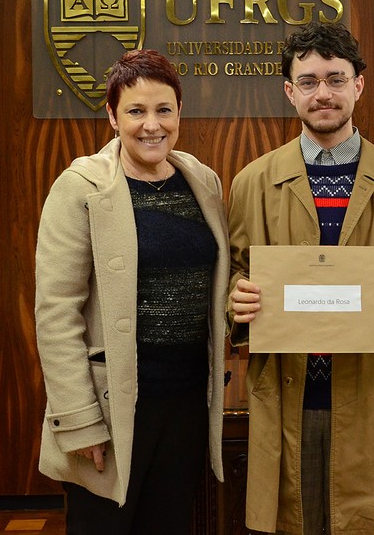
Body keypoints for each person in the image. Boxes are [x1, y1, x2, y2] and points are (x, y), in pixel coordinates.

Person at [227, 23, 374, 534]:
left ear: (358, 85)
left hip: (370, 394)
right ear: (290, 91)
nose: (322, 93)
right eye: (308, 81)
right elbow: (235, 274)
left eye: (335, 79)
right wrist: (235, 300)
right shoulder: (252, 182)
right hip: (288, 392)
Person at [34, 49, 229, 533]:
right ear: (112, 116)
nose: (151, 125)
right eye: (136, 111)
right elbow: (56, 312)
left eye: (164, 110)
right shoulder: (81, 187)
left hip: (186, 404)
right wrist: (79, 419)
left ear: (180, 112)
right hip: (111, 409)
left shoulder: (201, 181)